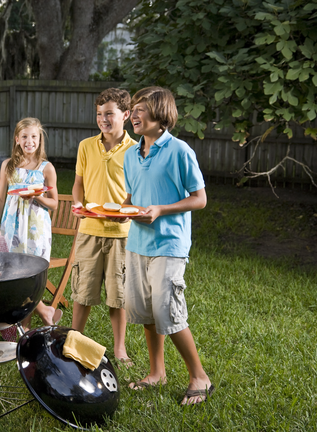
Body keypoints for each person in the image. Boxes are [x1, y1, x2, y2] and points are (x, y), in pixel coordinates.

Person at [122, 86, 214, 405]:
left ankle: (199, 376)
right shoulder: (130, 155)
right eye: (133, 109)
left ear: (161, 116)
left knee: (168, 312)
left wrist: (161, 209)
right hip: (137, 243)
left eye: (141, 108)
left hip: (169, 244)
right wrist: (114, 210)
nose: (134, 114)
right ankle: (156, 372)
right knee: (147, 311)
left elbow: (199, 198)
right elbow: (132, 198)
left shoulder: (179, 151)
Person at [69, 88, 136, 367]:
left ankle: (119, 349)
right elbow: (78, 185)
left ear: (127, 115)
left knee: (117, 295)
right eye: (99, 114)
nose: (103, 119)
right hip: (89, 229)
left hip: (122, 234)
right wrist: (76, 204)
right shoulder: (86, 146)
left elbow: (137, 192)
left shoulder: (135, 150)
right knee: (82, 292)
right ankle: (73, 339)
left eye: (109, 113)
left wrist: (126, 208)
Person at [0, 117, 62, 330]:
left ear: (40, 139)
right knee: (11, 273)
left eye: (34, 137)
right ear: (17, 139)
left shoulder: (46, 168)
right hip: (11, 226)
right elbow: (0, 198)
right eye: (25, 137)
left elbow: (54, 203)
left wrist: (37, 197)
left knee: (30, 274)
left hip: (35, 228)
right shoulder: (8, 166)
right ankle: (44, 311)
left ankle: (26, 330)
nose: (29, 141)